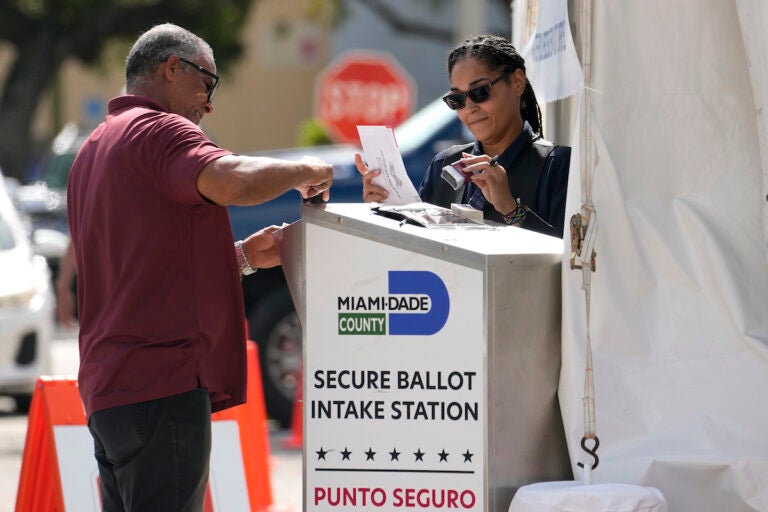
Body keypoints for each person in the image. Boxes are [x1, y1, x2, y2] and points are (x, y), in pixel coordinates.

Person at [66, 23, 333, 511]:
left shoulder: (94, 148)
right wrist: (308, 169)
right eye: (207, 84)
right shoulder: (161, 129)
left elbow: (141, 272)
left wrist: (243, 257)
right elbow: (232, 180)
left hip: (110, 390)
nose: (208, 105)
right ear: (172, 68)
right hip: (160, 385)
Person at [356, 34, 570, 238]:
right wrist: (385, 207)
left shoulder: (557, 165)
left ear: (517, 82)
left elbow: (569, 264)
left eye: (479, 92)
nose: (469, 108)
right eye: (457, 99)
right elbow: (418, 253)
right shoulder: (443, 165)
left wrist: (510, 209)